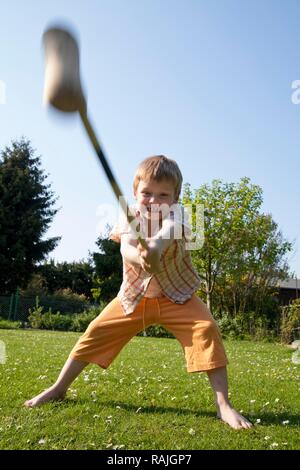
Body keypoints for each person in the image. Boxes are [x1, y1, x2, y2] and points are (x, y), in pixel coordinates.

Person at [24, 155, 252, 430]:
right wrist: (140, 257)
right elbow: (126, 248)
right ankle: (59, 388)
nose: (154, 201)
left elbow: (169, 231)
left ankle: (223, 406)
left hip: (177, 296)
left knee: (206, 329)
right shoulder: (129, 214)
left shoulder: (180, 213)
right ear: (135, 192)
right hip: (134, 296)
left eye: (163, 195)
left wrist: (155, 247)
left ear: (176, 197)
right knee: (95, 331)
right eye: (147, 193)